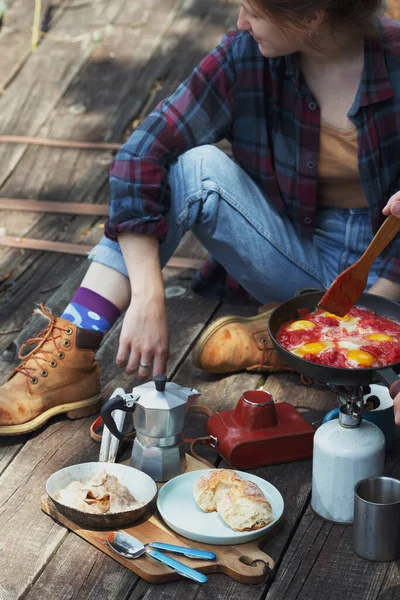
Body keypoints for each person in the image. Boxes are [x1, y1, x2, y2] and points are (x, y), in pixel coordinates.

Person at [1, 0, 400, 436]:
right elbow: (141, 156)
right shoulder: (244, 54)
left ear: (310, 16)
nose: (241, 22)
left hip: (388, 281)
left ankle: (287, 335)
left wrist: (363, 330)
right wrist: (149, 293)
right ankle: (75, 347)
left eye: (253, 10)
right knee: (197, 167)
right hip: (292, 251)